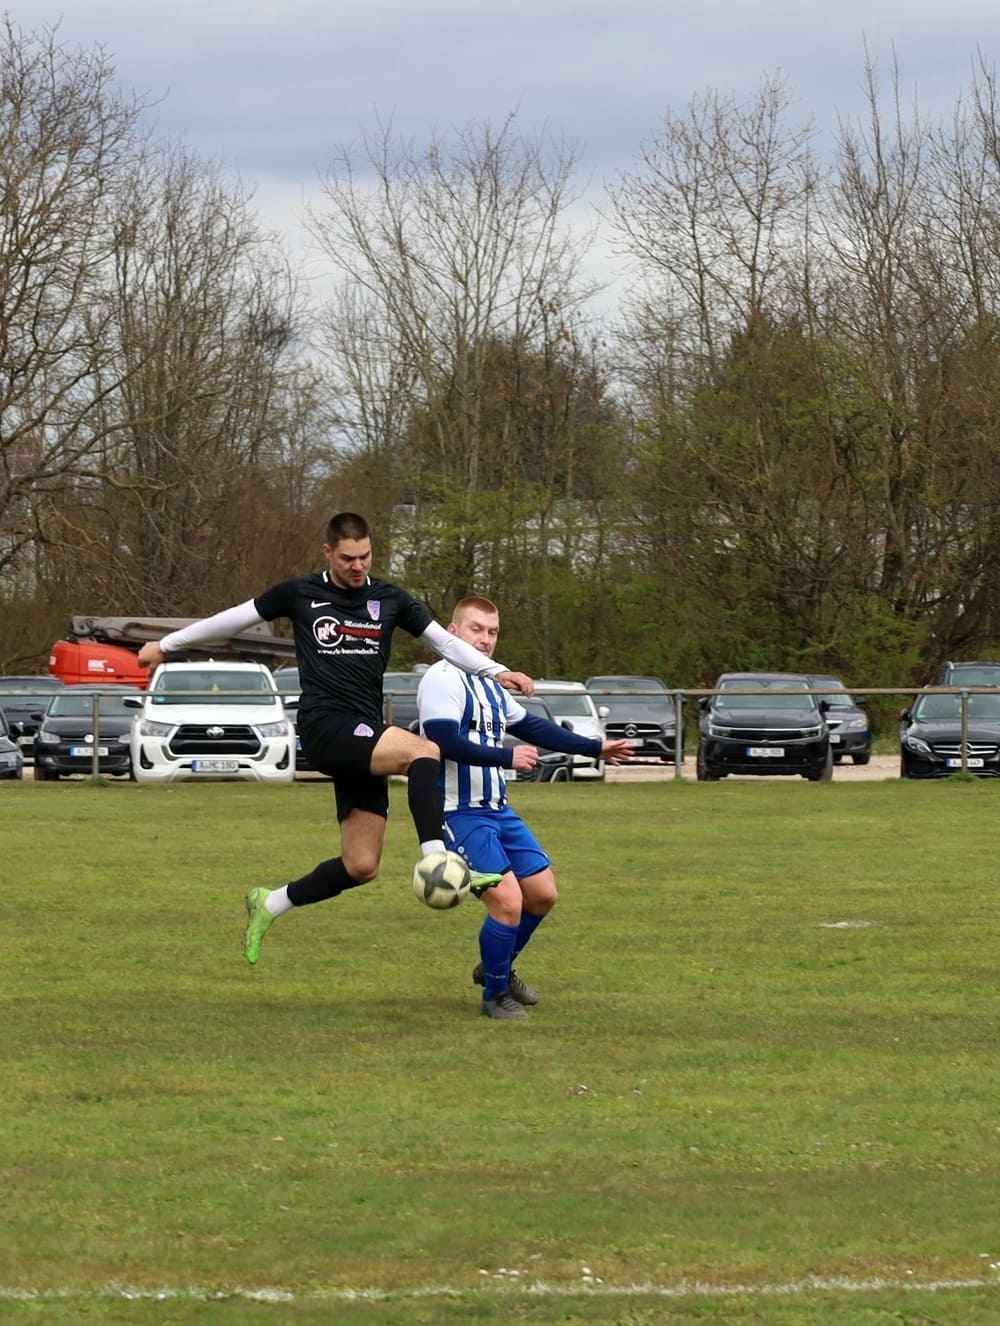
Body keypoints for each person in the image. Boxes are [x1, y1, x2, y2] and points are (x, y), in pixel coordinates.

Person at [136, 513, 534, 966]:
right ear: (328, 553)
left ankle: (269, 903)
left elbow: (446, 643)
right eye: (348, 558)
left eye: (365, 556)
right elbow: (231, 621)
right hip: (326, 726)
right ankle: (437, 861)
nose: (358, 566)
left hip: (364, 737)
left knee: (361, 865)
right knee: (425, 751)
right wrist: (166, 646)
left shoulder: (390, 599)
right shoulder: (300, 593)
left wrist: (497, 671)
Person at [416, 596, 633, 1019]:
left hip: (498, 810)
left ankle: (497, 966)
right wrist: (507, 757)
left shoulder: (489, 683)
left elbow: (532, 726)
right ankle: (495, 996)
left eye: (492, 632)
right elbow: (442, 741)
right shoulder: (442, 679)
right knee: (509, 903)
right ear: (453, 632)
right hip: (459, 814)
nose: (485, 640)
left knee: (542, 894)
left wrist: (595, 748)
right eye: (476, 629)